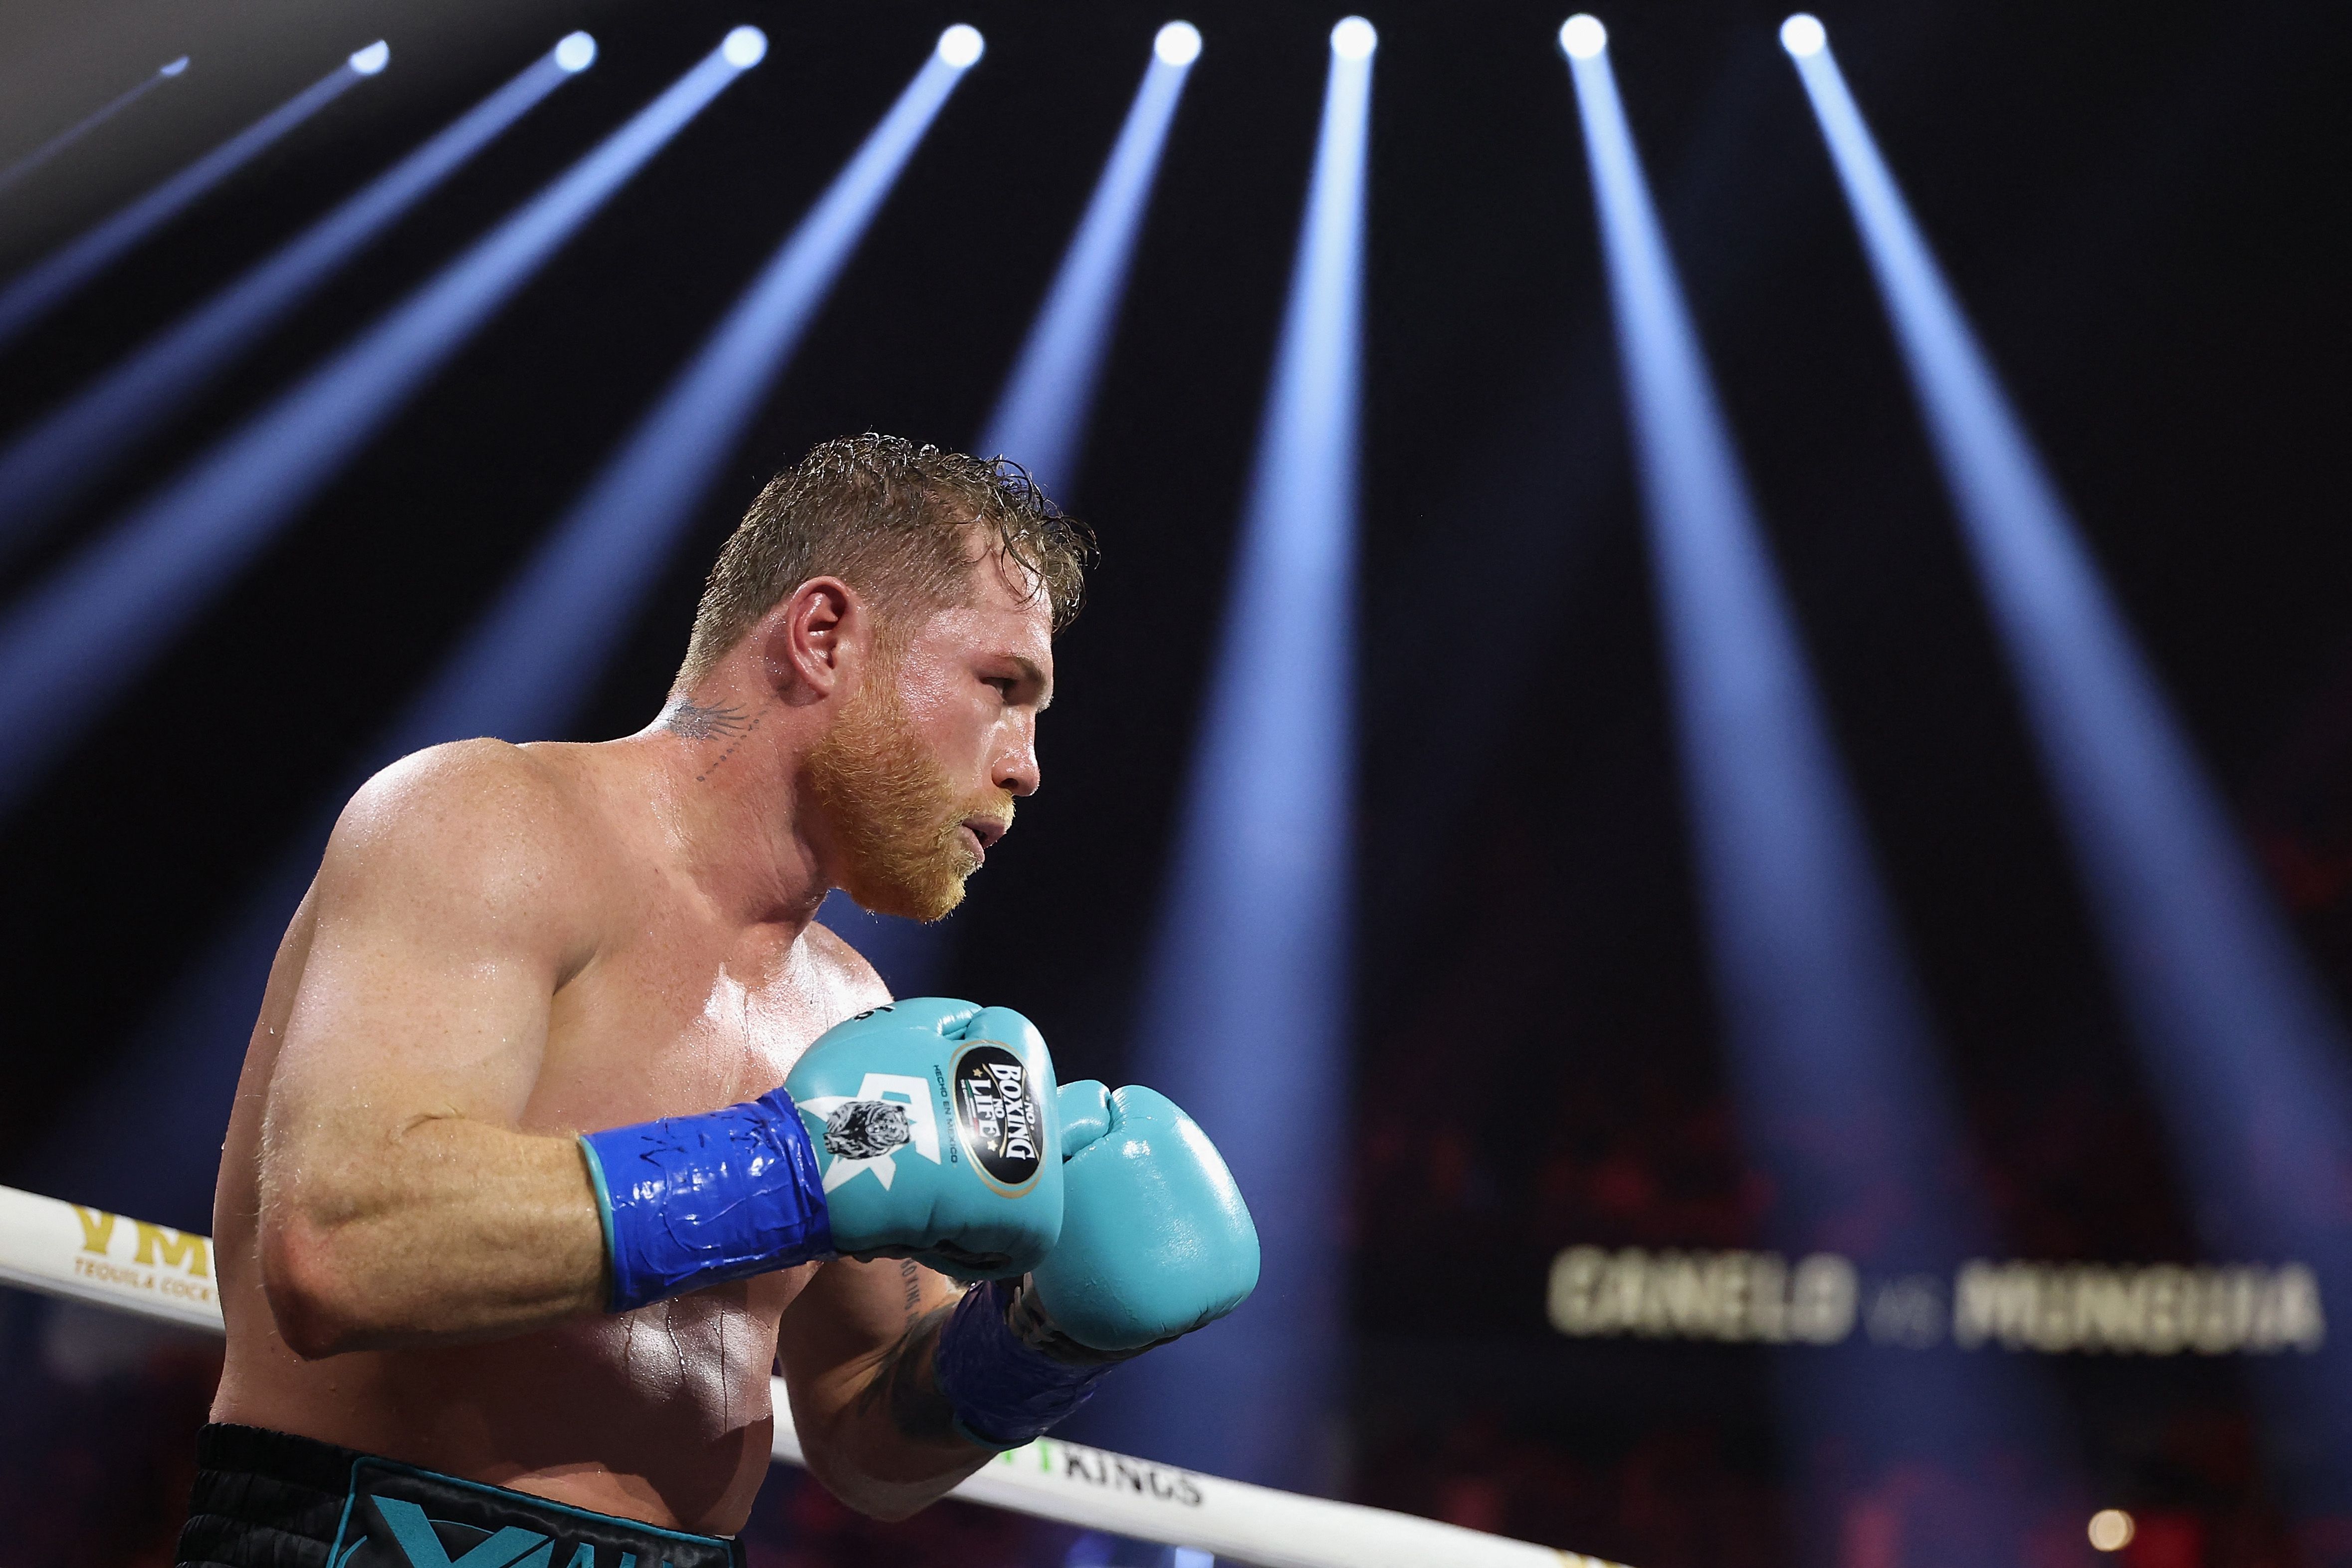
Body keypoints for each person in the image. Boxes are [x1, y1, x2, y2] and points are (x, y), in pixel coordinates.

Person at [180, 436, 1260, 1568]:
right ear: (824, 635)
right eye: (1002, 688)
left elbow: (866, 1440)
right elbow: (344, 1246)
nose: (1027, 765)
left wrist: (1045, 1339)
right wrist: (800, 1168)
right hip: (373, 1537)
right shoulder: (490, 824)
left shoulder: (851, 1013)